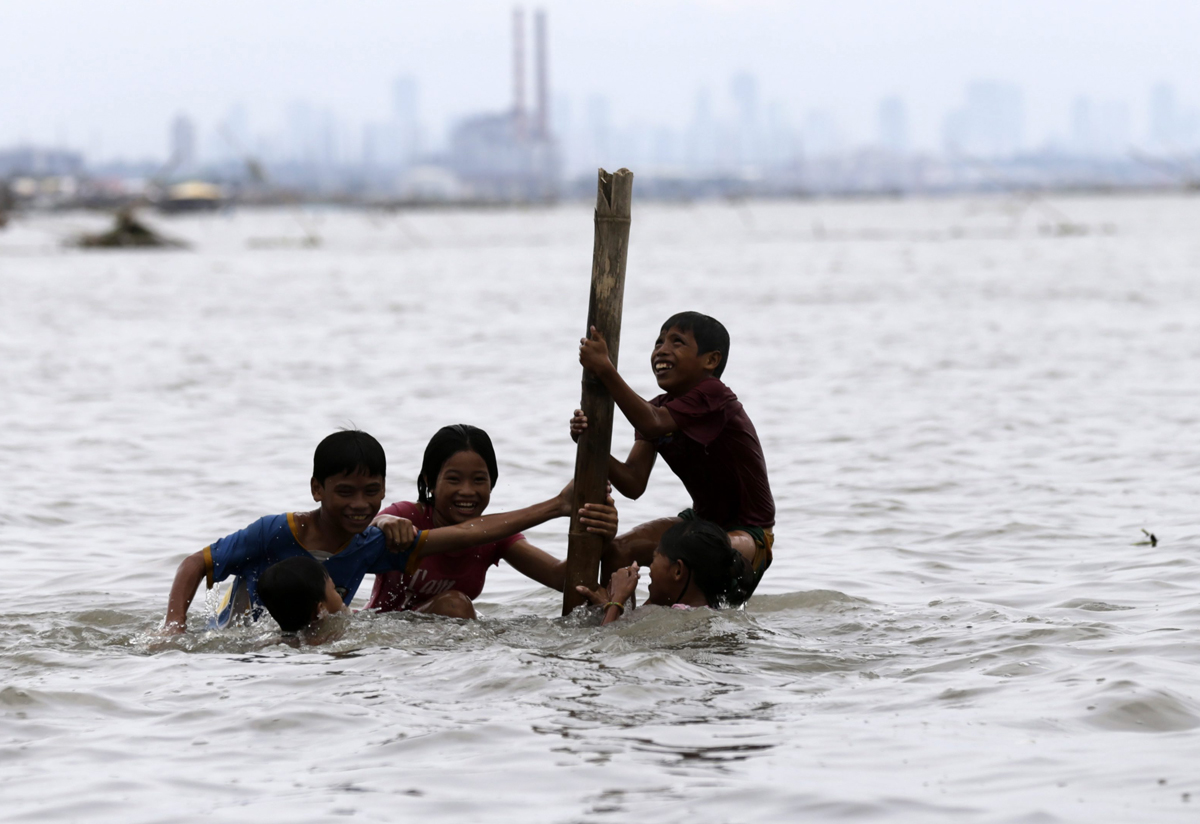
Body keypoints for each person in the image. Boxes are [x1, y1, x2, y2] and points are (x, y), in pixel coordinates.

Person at [161, 429, 579, 633]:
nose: (359, 505)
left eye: (371, 493)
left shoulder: (370, 544)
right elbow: (196, 563)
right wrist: (174, 630)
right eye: (344, 492)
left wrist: (561, 508)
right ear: (316, 489)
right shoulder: (275, 531)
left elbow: (469, 535)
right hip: (239, 637)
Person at [572, 311, 775, 596]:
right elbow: (632, 483)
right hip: (700, 522)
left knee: (692, 550)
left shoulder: (713, 396)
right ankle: (611, 621)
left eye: (677, 342)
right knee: (619, 550)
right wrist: (590, 444)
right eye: (658, 342)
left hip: (748, 533)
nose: (662, 350)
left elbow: (651, 421)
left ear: (710, 360)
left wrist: (605, 369)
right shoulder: (656, 409)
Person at [366, 424, 619, 618]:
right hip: (388, 643)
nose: (467, 491)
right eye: (454, 479)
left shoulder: (495, 534)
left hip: (446, 655)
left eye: (479, 480)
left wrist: (602, 537)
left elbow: (561, 579)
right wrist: (384, 521)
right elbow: (360, 536)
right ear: (430, 482)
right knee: (455, 604)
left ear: (492, 483)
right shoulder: (408, 515)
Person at [575, 518, 756, 624]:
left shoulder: (675, 619)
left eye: (654, 559)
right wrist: (615, 604)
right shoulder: (704, 614)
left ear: (677, 571)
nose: (650, 568)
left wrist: (616, 602)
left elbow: (603, 647)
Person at [258, 555, 346, 634]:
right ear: (321, 610)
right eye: (334, 588)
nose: (339, 594)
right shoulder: (337, 641)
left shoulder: (273, 641)